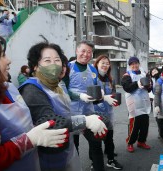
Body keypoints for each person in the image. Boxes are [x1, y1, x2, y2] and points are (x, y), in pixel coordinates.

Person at [0, 31, 68, 171]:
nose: (9, 60)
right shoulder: (30, 89)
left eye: (57, 60)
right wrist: (30, 140)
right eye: (2, 55)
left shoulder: (9, 88)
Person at [19, 42, 107, 171]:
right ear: (35, 66)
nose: (54, 65)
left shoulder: (55, 86)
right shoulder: (31, 89)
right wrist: (84, 121)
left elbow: (65, 113)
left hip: (65, 149)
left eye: (57, 60)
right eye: (47, 61)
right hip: (46, 157)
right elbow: (50, 122)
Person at [63, 40, 110, 171]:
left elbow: (94, 87)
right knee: (73, 144)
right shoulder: (67, 67)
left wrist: (100, 92)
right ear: (77, 51)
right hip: (71, 113)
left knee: (96, 142)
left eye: (89, 52)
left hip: (88, 111)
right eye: (83, 51)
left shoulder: (93, 69)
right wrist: (79, 96)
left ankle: (97, 167)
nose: (86, 54)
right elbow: (63, 89)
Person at [93, 55, 123, 170]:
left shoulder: (110, 78)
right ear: (97, 64)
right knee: (96, 140)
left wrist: (115, 100)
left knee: (109, 138)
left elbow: (114, 91)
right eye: (103, 63)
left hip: (108, 112)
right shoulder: (93, 77)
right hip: (95, 113)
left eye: (107, 63)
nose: (105, 65)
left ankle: (111, 159)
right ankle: (94, 161)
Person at [121, 56, 152, 152]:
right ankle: (130, 143)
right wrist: (137, 83)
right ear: (129, 66)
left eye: (136, 63)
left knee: (144, 125)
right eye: (132, 64)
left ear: (139, 64)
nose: (134, 65)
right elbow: (127, 88)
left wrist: (149, 86)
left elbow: (150, 88)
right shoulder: (127, 75)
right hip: (134, 103)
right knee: (134, 125)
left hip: (144, 102)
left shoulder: (144, 74)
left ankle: (141, 141)